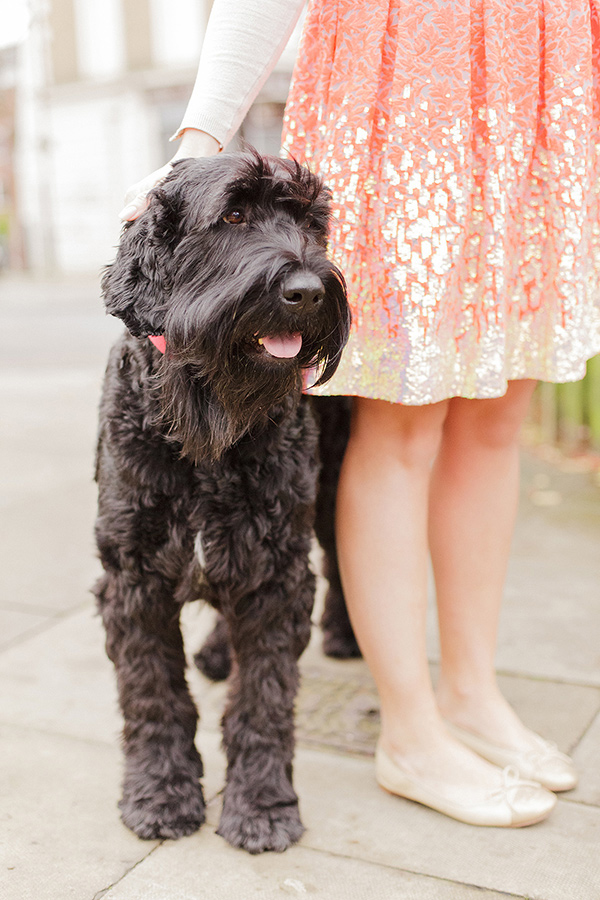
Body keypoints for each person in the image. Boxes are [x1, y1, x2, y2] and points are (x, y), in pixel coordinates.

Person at [120, 0, 599, 827]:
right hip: (406, 96)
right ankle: (411, 730)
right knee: (403, 420)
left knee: (495, 417)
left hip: (548, 103)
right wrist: (198, 143)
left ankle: (472, 693)